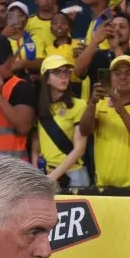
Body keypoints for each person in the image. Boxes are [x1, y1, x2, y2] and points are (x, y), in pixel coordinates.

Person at [78, 54, 130, 186]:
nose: (122, 77)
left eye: (129, 73)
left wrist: (121, 109)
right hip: (104, 185)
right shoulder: (99, 104)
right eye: (117, 73)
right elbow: (84, 131)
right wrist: (92, 104)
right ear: (110, 77)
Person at [33, 54, 89, 186]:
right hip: (46, 174)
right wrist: (37, 171)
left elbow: (79, 148)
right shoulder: (40, 107)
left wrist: (52, 177)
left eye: (66, 72)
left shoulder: (79, 105)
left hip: (73, 176)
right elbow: (36, 141)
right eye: (57, 72)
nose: (63, 76)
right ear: (46, 79)